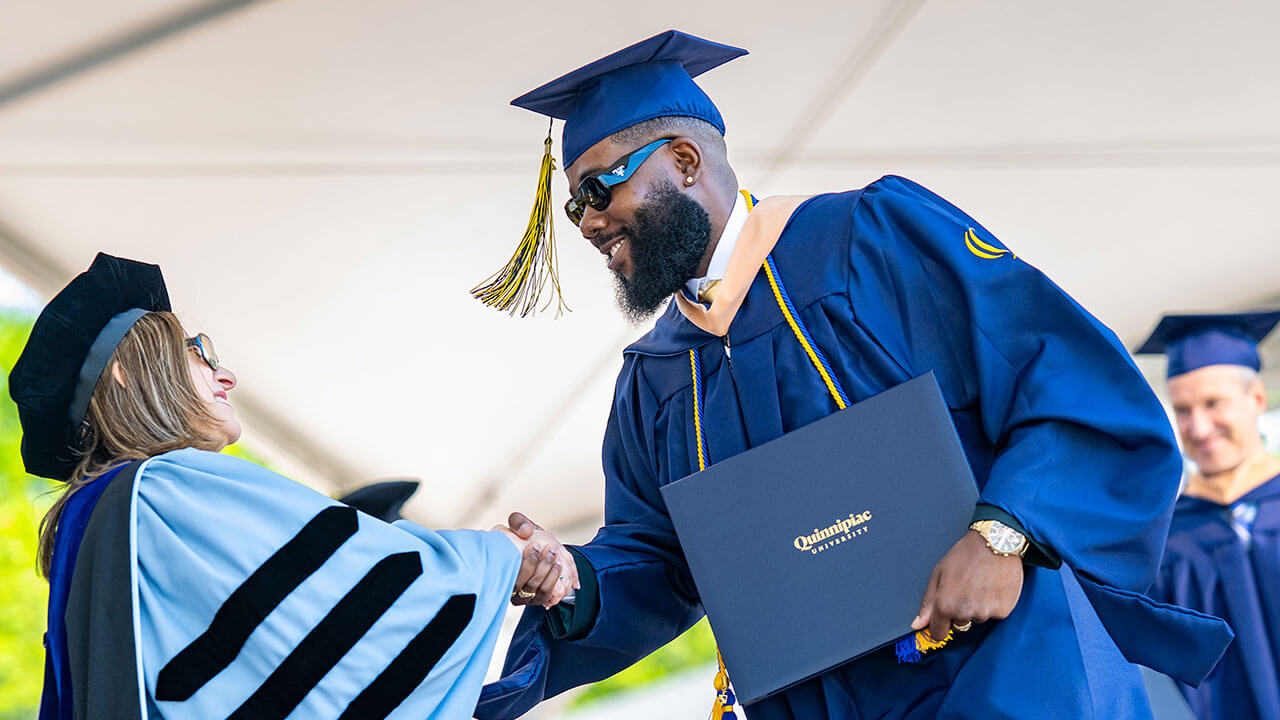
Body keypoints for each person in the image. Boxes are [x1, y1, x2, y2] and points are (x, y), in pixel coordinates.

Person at [475, 30, 1233, 720]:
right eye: (574, 207)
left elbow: (1065, 378)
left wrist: (1004, 533)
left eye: (599, 189)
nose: (588, 222)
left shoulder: (868, 240)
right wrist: (573, 578)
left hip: (1006, 676)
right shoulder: (656, 378)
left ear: (684, 161)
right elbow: (659, 558)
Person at [11, 253, 574, 719]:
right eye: (199, 351)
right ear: (125, 372)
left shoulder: (97, 523)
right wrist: (502, 556)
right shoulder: (164, 490)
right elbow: (366, 601)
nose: (226, 374)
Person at [1138, 311, 1280, 719]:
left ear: (1256, 399)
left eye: (1213, 403)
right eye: (1183, 410)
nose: (1198, 428)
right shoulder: (1168, 539)